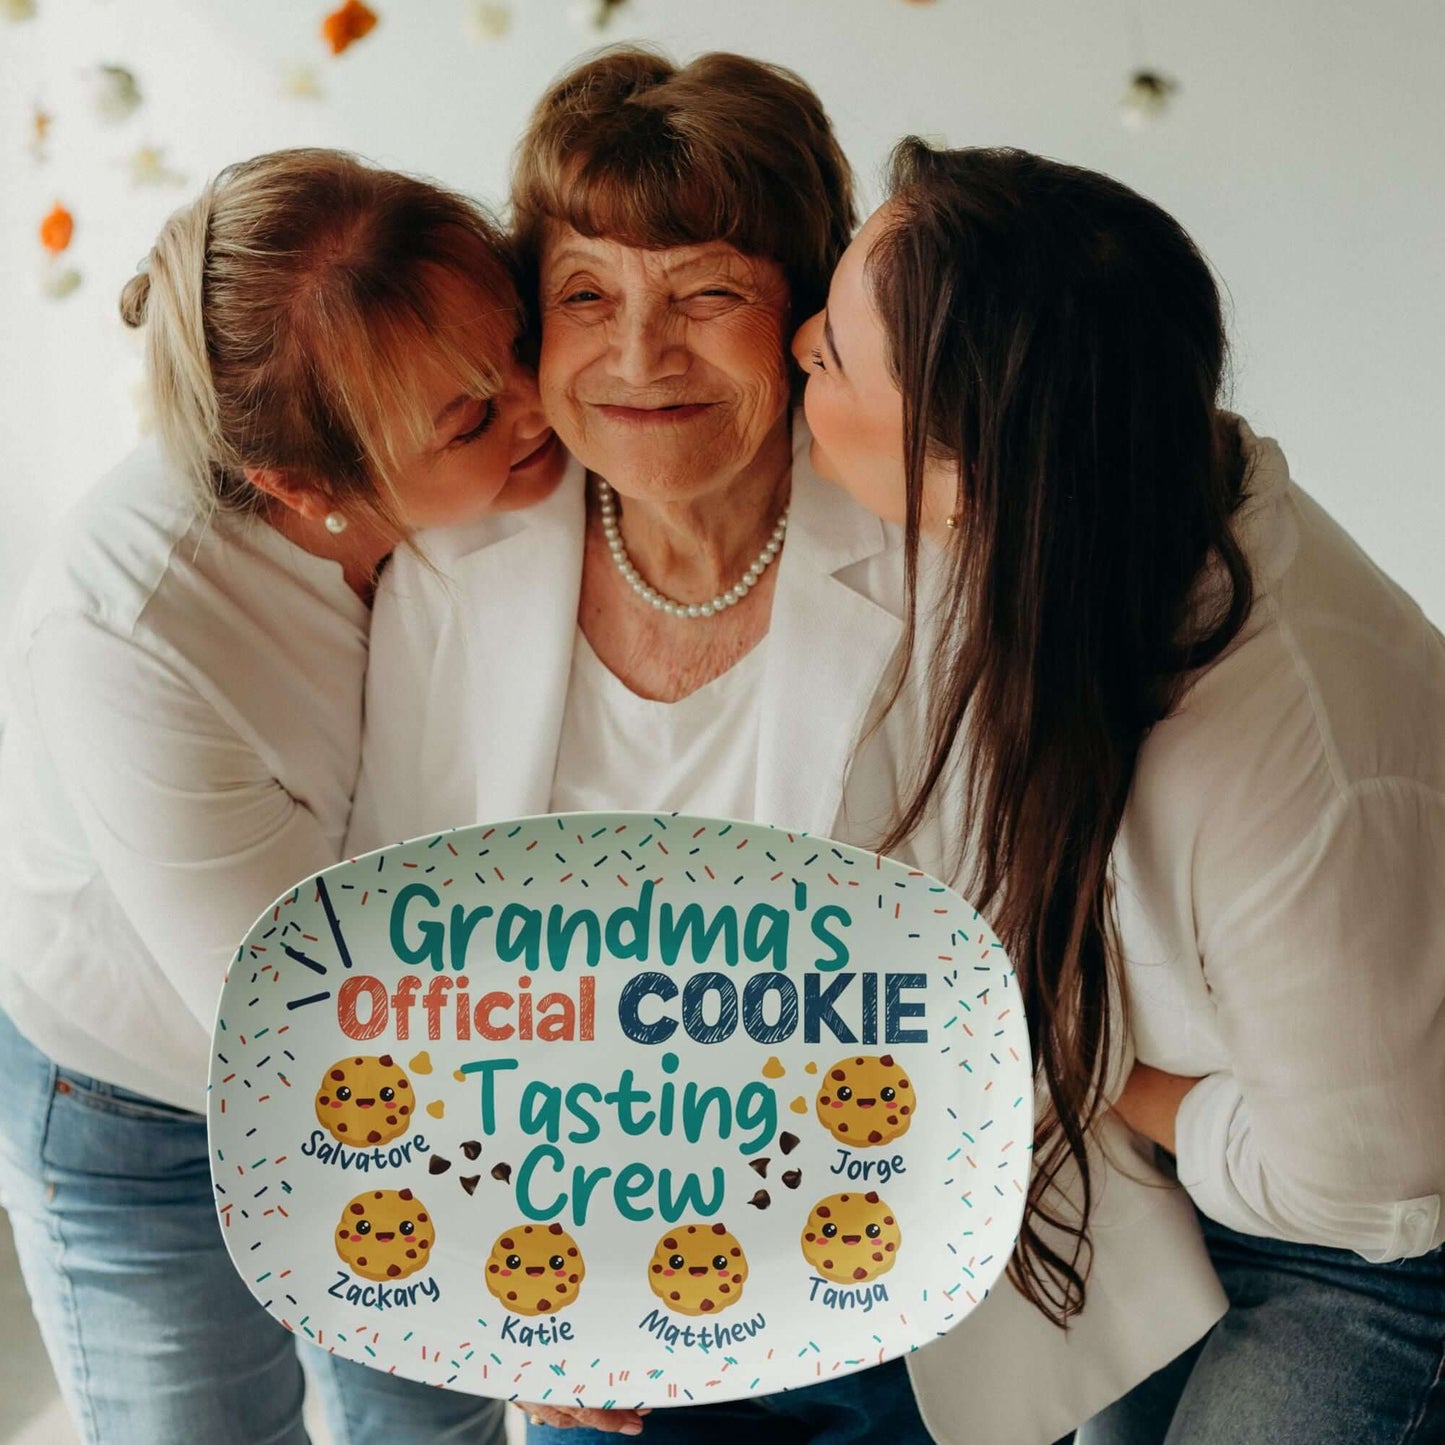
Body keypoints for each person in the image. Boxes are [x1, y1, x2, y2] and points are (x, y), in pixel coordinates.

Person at [345, 52, 1225, 1445]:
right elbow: (409, 962)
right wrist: (507, 1283)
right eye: (586, 294)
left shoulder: (942, 542)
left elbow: (1035, 943)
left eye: (704, 292)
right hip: (604, 1301)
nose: (638, 356)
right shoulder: (456, 570)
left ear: (805, 313)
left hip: (922, 1288)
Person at [792, 138, 1445, 1443]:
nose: (798, 339)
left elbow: (1378, 1190)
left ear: (962, 469)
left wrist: (1122, 1084)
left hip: (1365, 1245)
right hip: (1154, 1181)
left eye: (831, 355)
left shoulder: (1284, 756)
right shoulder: (1064, 517)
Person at [0, 148, 563, 1445]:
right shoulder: (130, 633)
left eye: (518, 345)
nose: (538, 403)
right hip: (135, 1102)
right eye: (470, 418)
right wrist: (513, 1290)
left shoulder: (509, 484)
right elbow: (299, 1036)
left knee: (433, 1425)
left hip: (402, 1043)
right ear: (304, 493)